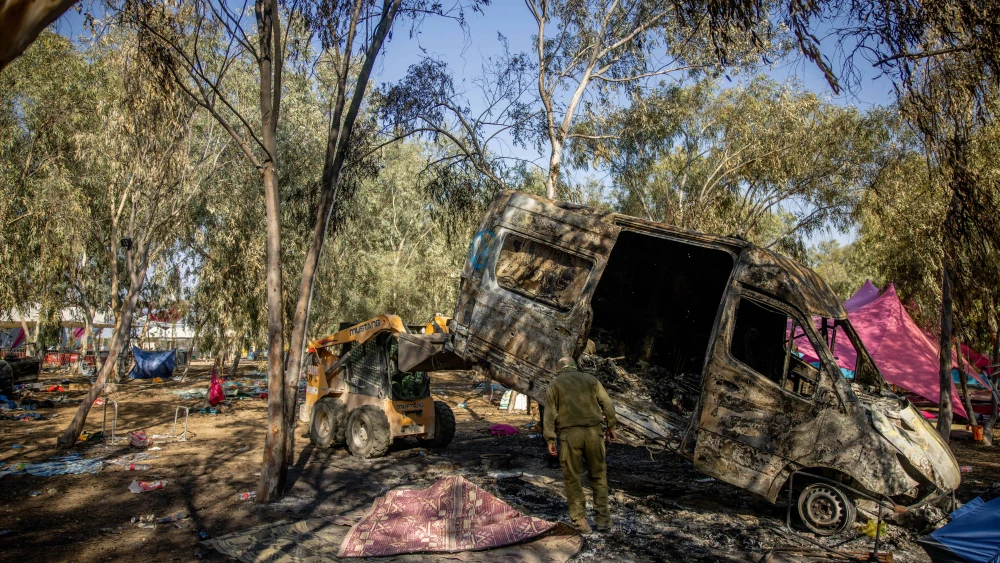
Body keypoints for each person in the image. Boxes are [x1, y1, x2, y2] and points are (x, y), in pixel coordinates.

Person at [543, 356, 617, 534]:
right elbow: (607, 403)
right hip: (594, 433)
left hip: (570, 436)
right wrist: (611, 426)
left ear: (560, 368)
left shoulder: (555, 384)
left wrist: (550, 439)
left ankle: (580, 522)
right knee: (599, 476)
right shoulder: (591, 380)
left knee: (573, 478)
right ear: (575, 367)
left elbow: (549, 413)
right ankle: (604, 521)